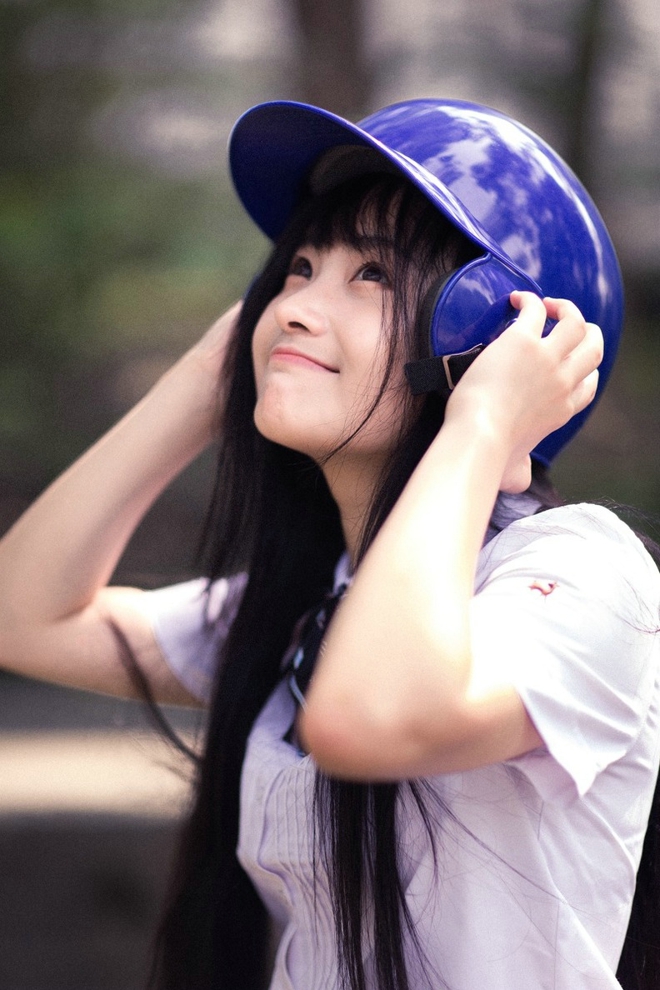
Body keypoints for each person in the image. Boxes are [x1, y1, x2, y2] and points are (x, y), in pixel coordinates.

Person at [0, 97, 658, 990]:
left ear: (487, 336)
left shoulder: (581, 572)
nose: (298, 307)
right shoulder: (314, 601)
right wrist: (210, 373)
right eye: (299, 269)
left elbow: (370, 716)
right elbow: (24, 617)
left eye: (372, 274)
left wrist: (483, 421)